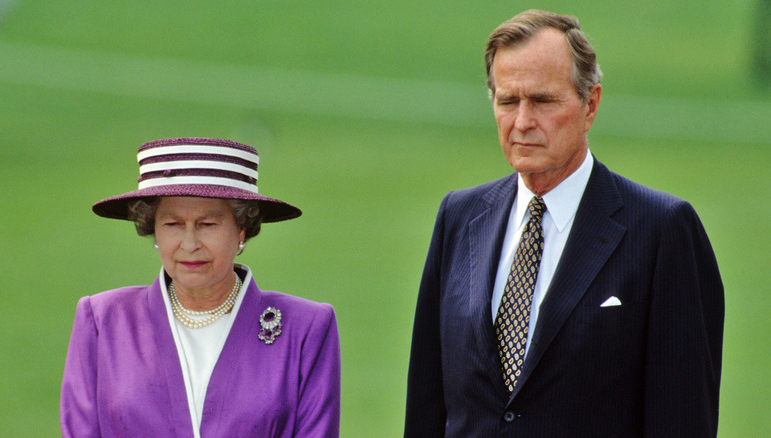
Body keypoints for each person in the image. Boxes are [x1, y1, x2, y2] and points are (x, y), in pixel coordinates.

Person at [404, 10, 724, 437]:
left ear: (590, 105)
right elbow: (426, 409)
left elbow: (683, 418)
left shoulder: (662, 230)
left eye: (542, 101)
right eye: (508, 101)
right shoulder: (458, 218)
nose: (522, 122)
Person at [60, 137, 340, 437]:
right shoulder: (102, 319)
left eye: (208, 225)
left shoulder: (306, 327)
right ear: (153, 230)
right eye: (173, 224)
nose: (190, 244)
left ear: (242, 229)